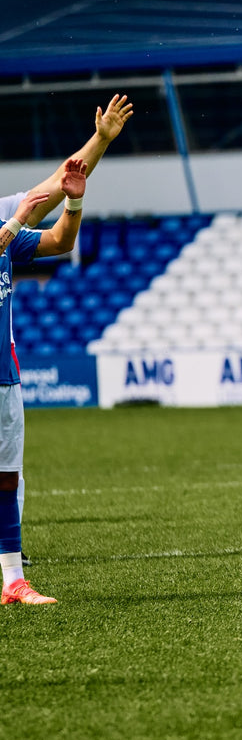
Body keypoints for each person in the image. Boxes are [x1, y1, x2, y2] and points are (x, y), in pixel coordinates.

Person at [6, 93, 133, 568]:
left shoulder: (4, 217)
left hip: (4, 371)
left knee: (9, 474)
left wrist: (99, 142)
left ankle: (9, 561)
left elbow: (61, 186)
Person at [1, 159, 90, 605]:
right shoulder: (5, 229)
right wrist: (16, 221)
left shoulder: (5, 233)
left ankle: (13, 582)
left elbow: (60, 240)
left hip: (4, 379)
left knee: (6, 480)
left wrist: (73, 200)